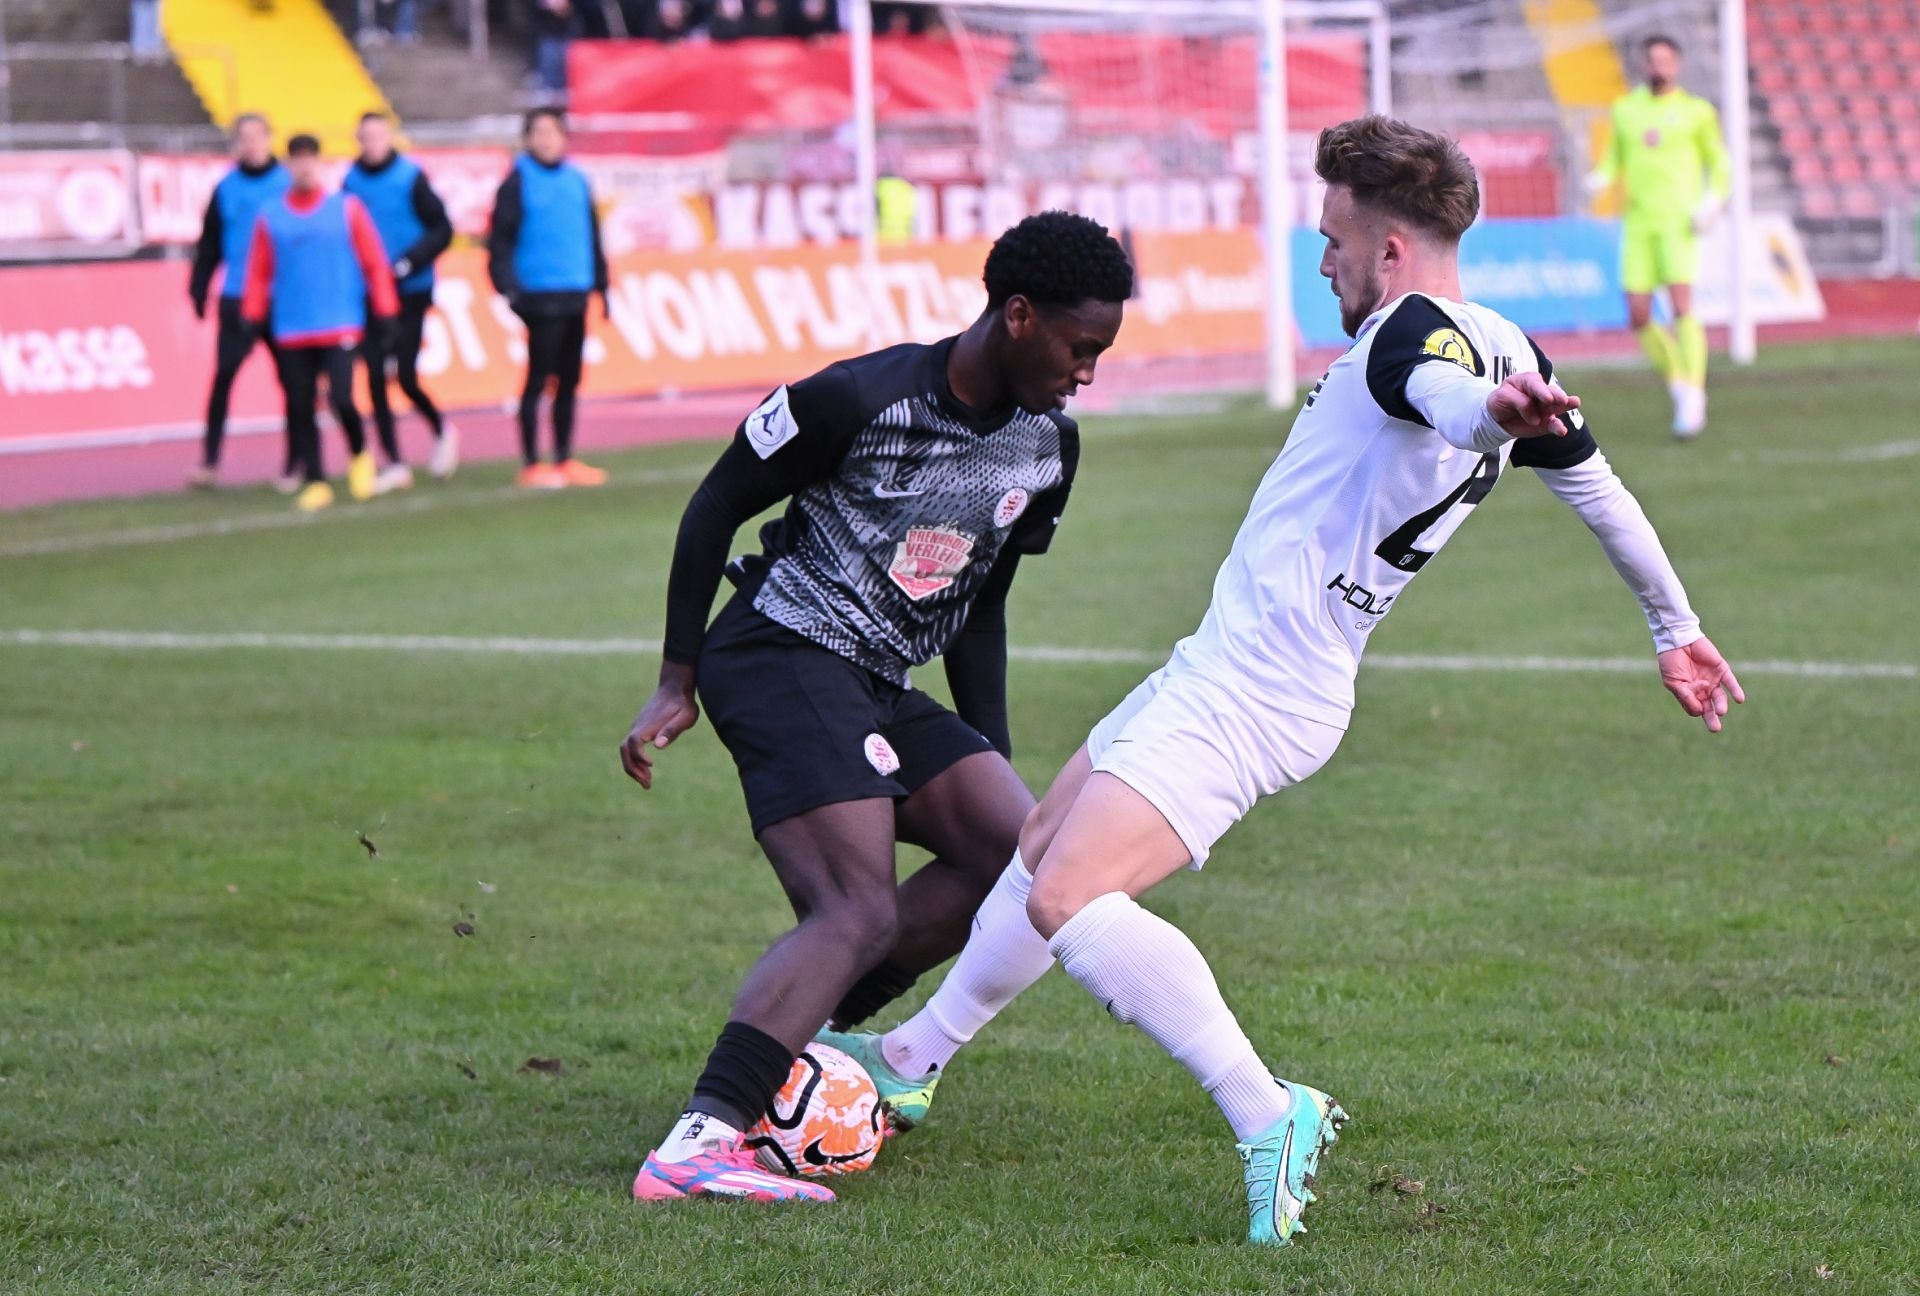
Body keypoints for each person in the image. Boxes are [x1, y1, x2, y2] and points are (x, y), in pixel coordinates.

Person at [832, 116, 1746, 1247]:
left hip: (1255, 691)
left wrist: (1483, 419)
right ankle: (913, 1055)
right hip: (1240, 666)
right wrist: (1674, 625)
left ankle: (1267, 1110)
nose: (1324, 264)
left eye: (1333, 241)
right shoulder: (1512, 346)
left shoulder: (1415, 333)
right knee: (1040, 843)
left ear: (1390, 250)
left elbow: (1439, 395)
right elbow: (1595, 488)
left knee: (1069, 896)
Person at [619, 211, 1134, 1205]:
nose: (1086, 373)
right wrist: (677, 677)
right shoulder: (858, 398)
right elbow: (714, 505)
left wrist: (988, 752)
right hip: (778, 652)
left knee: (1020, 857)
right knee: (855, 907)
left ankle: (789, 1052)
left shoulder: (1046, 449)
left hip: (875, 677)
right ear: (1018, 316)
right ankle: (696, 1146)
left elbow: (983, 604)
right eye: (1080, 348)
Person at [241, 134, 401, 513]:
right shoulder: (272, 215)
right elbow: (259, 271)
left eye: (310, 159)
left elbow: (374, 262)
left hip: (339, 321)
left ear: (319, 163)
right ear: (288, 166)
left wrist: (386, 308)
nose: (304, 167)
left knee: (341, 398)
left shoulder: (345, 208)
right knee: (300, 404)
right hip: (292, 326)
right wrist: (251, 313)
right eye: (297, 160)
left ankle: (359, 454)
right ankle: (316, 479)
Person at [1586, 35, 1729, 439]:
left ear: (1676, 65)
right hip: (1638, 223)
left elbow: (1720, 163)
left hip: (1679, 223)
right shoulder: (1626, 110)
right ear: (1643, 65)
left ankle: (1694, 392)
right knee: (1638, 315)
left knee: (1682, 306)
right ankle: (1678, 381)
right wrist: (1600, 178)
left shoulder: (1696, 112)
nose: (1659, 66)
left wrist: (1712, 200)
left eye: (1666, 59)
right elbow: (1615, 159)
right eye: (1652, 59)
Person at [486, 107, 610, 488]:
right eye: (538, 133)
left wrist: (602, 285)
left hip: (575, 290)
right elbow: (499, 241)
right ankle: (531, 462)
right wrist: (508, 288)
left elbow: (592, 235)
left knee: (569, 378)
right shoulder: (517, 181)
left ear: (563, 137)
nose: (545, 140)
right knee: (538, 377)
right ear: (527, 138)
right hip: (538, 294)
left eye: (552, 132)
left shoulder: (577, 180)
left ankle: (564, 457)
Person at [344, 111, 460, 491]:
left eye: (378, 136)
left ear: (389, 137)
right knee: (375, 375)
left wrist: (410, 261)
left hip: (411, 290)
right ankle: (393, 461)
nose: (372, 144)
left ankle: (441, 429)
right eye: (365, 138)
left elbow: (442, 229)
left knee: (405, 376)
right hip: (369, 293)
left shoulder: (410, 177)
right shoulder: (351, 182)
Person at [186, 113, 292, 491]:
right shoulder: (226, 188)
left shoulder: (288, 183)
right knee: (223, 379)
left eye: (257, 136)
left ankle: (295, 462)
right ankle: (210, 461)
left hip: (283, 299)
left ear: (269, 138)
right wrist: (199, 287)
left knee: (294, 383)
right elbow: (210, 244)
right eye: (244, 137)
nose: (251, 144)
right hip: (237, 297)